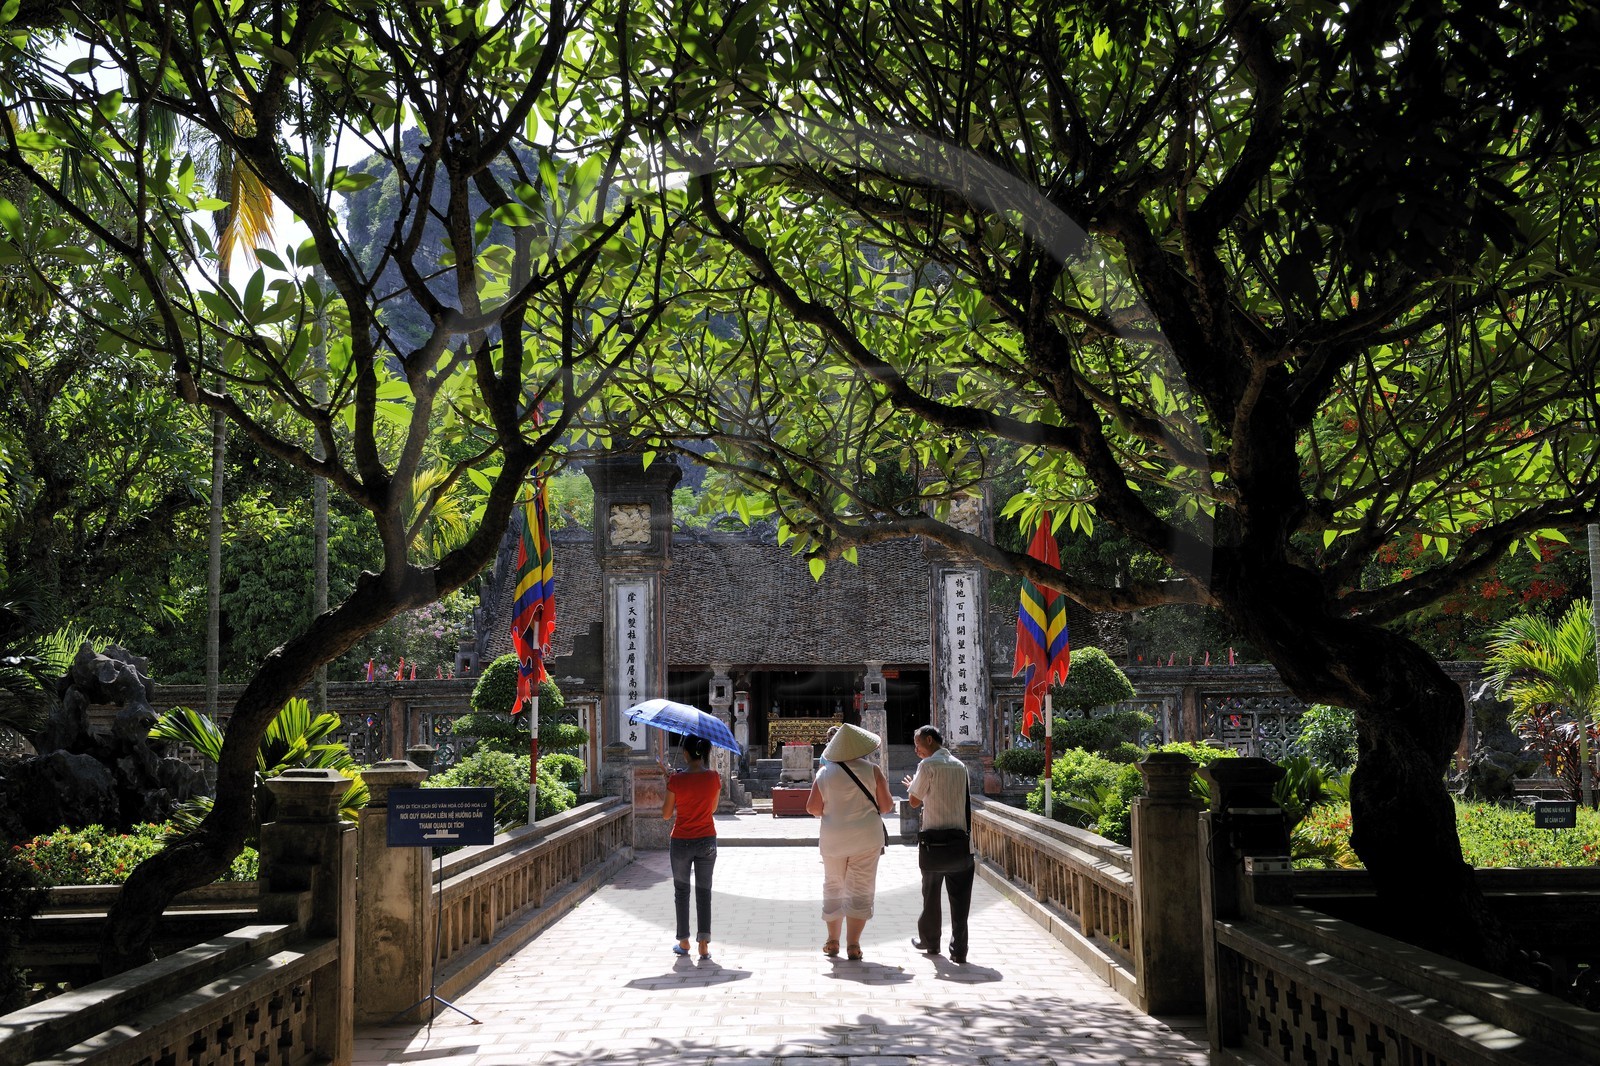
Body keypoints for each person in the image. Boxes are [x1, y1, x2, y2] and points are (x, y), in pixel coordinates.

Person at [805, 722, 893, 961]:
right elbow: (885, 806)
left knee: (833, 885)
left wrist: (834, 810)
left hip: (833, 839)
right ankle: (853, 944)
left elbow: (812, 807)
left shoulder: (825, 772)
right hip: (867, 839)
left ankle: (832, 941)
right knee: (861, 888)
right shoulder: (873, 771)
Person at [902, 724, 975, 964]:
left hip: (934, 844)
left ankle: (931, 942)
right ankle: (959, 949)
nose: (916, 750)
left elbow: (913, 802)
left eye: (918, 744)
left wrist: (912, 785)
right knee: (961, 900)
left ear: (930, 740)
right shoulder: (960, 766)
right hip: (959, 842)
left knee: (931, 895)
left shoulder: (928, 765)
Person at [660, 734, 720, 960]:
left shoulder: (676, 781)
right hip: (706, 839)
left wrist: (670, 785)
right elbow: (712, 809)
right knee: (704, 892)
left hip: (681, 841)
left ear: (685, 754)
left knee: (682, 891)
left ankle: (684, 942)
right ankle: (703, 943)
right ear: (704, 754)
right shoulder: (714, 778)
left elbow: (666, 815)